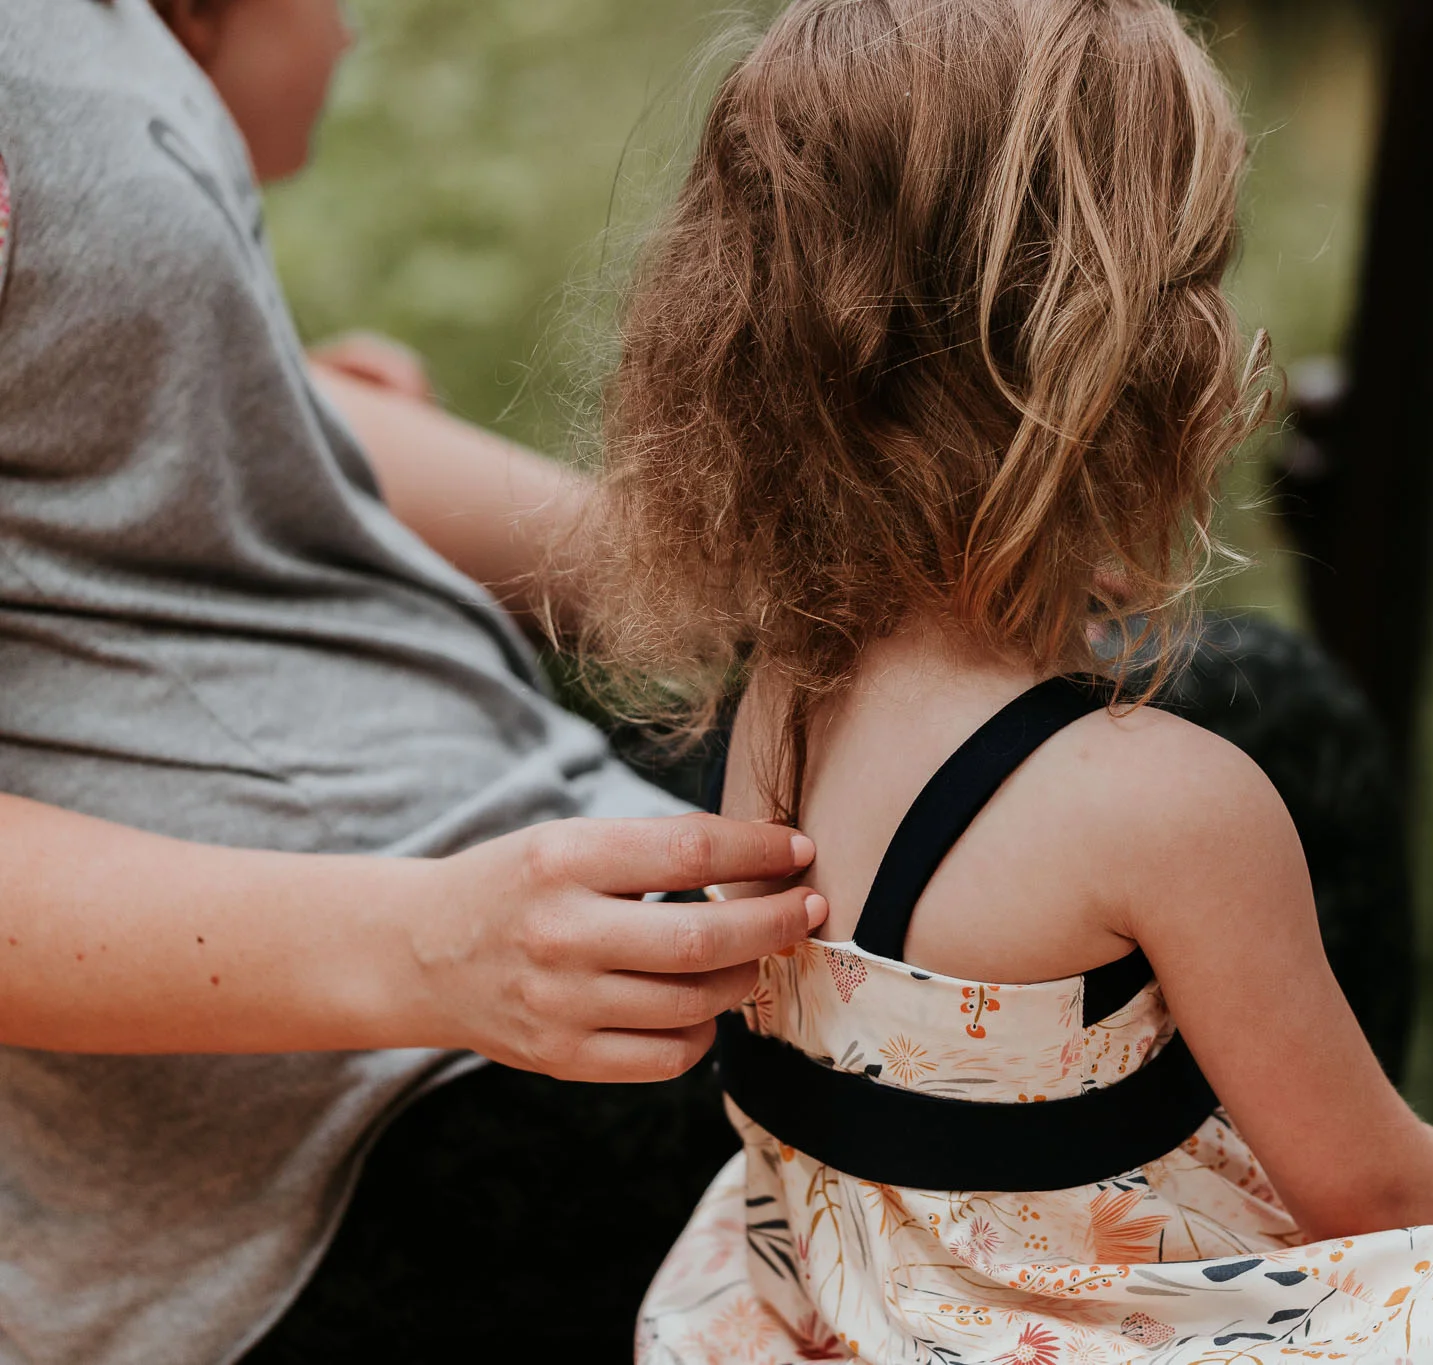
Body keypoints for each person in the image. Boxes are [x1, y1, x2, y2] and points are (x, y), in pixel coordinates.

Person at [568, 2, 1433, 1362]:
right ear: (1121, 361)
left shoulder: (784, 690)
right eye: (1199, 274)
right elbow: (1375, 1190)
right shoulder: (1161, 804)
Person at [0, 2, 829, 1362]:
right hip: (328, 1142)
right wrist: (431, 946)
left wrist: (786, 587)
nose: (354, 23)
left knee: (1153, 711)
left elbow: (185, 400)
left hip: (493, 867)